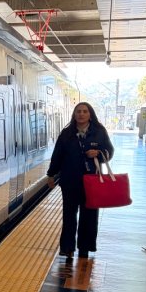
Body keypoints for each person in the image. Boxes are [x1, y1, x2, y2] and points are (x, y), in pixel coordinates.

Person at [46, 102, 114, 260]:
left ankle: (85, 247)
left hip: (92, 181)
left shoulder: (99, 132)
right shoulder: (66, 133)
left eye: (85, 111)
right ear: (74, 114)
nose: (81, 114)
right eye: (78, 111)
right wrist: (51, 174)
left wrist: (98, 152)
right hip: (70, 181)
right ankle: (67, 248)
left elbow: (109, 152)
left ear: (90, 114)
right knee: (69, 215)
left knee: (89, 215)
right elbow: (57, 155)